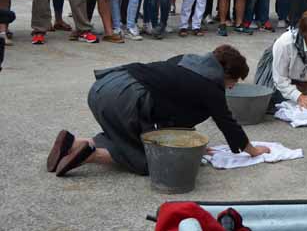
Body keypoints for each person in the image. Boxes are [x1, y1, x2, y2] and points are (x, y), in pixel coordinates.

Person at [48, 45, 270, 177]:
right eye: (234, 82)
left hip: (105, 85)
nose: (232, 87)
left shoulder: (187, 61)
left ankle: (74, 142)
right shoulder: (211, 86)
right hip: (125, 97)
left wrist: (190, 146)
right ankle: (90, 155)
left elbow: (173, 102)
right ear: (226, 74)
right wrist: (252, 150)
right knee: (151, 160)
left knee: (129, 136)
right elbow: (227, 123)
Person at [255, 9, 307, 112]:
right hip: (282, 80)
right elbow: (280, 79)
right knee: (271, 103)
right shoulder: (284, 44)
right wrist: (298, 97)